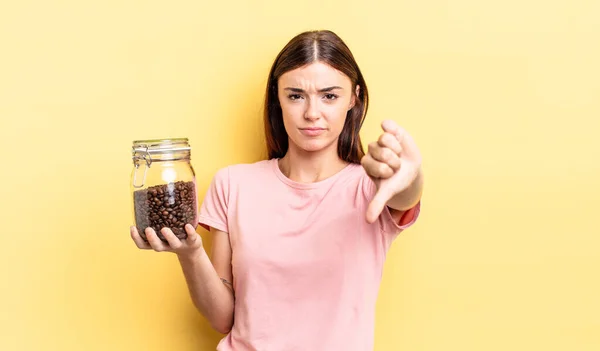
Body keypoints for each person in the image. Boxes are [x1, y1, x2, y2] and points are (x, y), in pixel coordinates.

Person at [131, 29, 423, 351]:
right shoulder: (233, 184)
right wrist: (191, 253)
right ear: (277, 97)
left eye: (329, 96)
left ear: (353, 98)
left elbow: (404, 195)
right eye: (296, 95)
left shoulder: (371, 187)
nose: (312, 113)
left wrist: (410, 176)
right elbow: (222, 319)